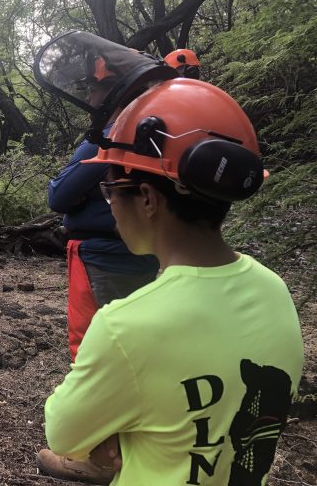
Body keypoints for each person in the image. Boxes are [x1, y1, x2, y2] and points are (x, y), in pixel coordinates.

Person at [37, 79, 304, 484]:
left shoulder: (123, 326)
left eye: (110, 192)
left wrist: (115, 439)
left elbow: (62, 434)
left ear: (147, 197)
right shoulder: (274, 288)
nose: (110, 207)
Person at [48, 56, 160, 363]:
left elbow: (58, 195)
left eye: (94, 88)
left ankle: (93, 408)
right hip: (142, 255)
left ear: (114, 89)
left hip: (100, 258)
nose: (88, 96)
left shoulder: (111, 135)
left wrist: (81, 198)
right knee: (134, 342)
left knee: (92, 348)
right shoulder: (154, 133)